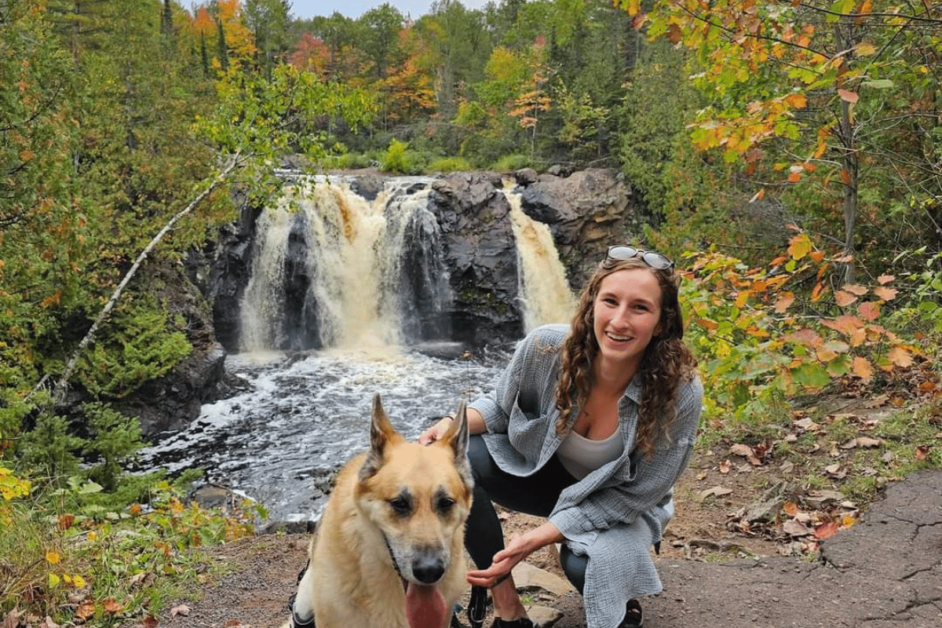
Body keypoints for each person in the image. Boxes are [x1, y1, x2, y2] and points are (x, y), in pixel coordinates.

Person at [419, 246, 702, 628]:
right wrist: (450, 427)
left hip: (616, 501)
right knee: (456, 463)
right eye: (610, 301)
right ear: (591, 304)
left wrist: (539, 537)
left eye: (640, 308)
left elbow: (638, 495)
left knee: (583, 565)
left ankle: (620, 601)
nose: (619, 321)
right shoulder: (546, 348)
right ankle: (506, 605)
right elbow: (501, 409)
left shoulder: (678, 392)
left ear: (662, 321)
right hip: (545, 477)